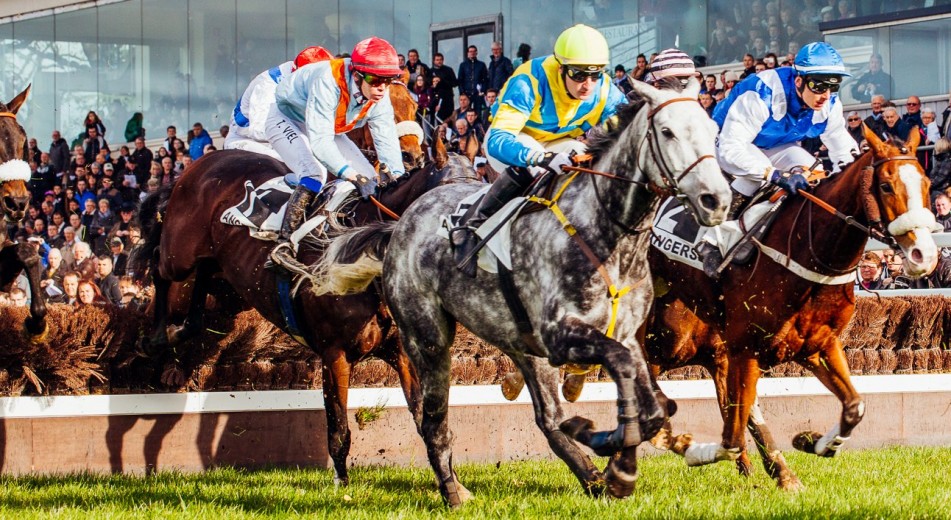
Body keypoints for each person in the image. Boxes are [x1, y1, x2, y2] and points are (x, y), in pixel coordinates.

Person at [453, 24, 625, 276]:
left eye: (595, 74)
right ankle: (469, 226)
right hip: (513, 139)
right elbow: (499, 139)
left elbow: (629, 124)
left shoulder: (605, 89)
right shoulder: (529, 80)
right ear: (561, 67)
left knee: (583, 156)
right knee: (533, 166)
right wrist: (539, 157)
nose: (588, 85)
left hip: (559, 140)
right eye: (578, 75)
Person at [696, 42, 860, 278]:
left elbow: (843, 148)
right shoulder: (762, 93)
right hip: (727, 139)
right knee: (759, 177)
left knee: (813, 172)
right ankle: (710, 240)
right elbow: (731, 150)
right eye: (819, 85)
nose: (825, 95)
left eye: (833, 85)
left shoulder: (829, 104)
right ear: (798, 81)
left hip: (774, 142)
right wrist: (774, 175)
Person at [268, 36, 406, 268]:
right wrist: (352, 175)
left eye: (388, 80)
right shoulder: (328, 81)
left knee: (372, 181)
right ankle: (284, 244)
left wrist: (398, 178)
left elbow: (388, 142)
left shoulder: (379, 96)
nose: (381, 87)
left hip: (329, 125)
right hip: (288, 119)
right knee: (314, 174)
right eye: (374, 80)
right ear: (357, 74)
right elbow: (321, 145)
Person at [224, 46, 334, 159]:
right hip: (247, 140)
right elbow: (257, 130)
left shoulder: (301, 71)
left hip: (282, 136)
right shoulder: (268, 86)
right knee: (302, 161)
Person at [458, 45, 489, 112]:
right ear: (467, 53)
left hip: (477, 94)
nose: (472, 53)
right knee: (466, 112)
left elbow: (485, 79)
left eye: (474, 51)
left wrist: (483, 91)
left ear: (476, 53)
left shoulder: (481, 65)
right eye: (470, 51)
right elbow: (460, 80)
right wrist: (462, 92)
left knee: (478, 112)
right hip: (467, 93)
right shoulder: (463, 65)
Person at [430, 52, 458, 124]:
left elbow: (454, 83)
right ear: (434, 61)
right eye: (437, 60)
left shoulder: (448, 70)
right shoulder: (430, 71)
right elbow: (428, 85)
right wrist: (434, 84)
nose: (439, 61)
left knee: (449, 118)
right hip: (436, 99)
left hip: (448, 98)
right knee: (437, 119)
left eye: (440, 60)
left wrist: (441, 80)